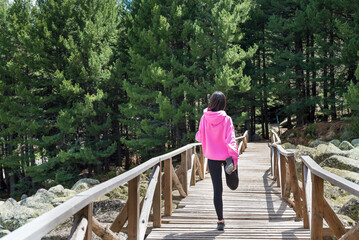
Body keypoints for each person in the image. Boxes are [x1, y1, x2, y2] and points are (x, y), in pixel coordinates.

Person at [195, 91, 239, 231]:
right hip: (226, 157)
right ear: (223, 103)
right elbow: (231, 140)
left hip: (212, 157)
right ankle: (231, 175)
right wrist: (235, 160)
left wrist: (210, 138)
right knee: (233, 185)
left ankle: (220, 221)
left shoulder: (204, 118)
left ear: (212, 102)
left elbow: (199, 137)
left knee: (217, 190)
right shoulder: (227, 119)